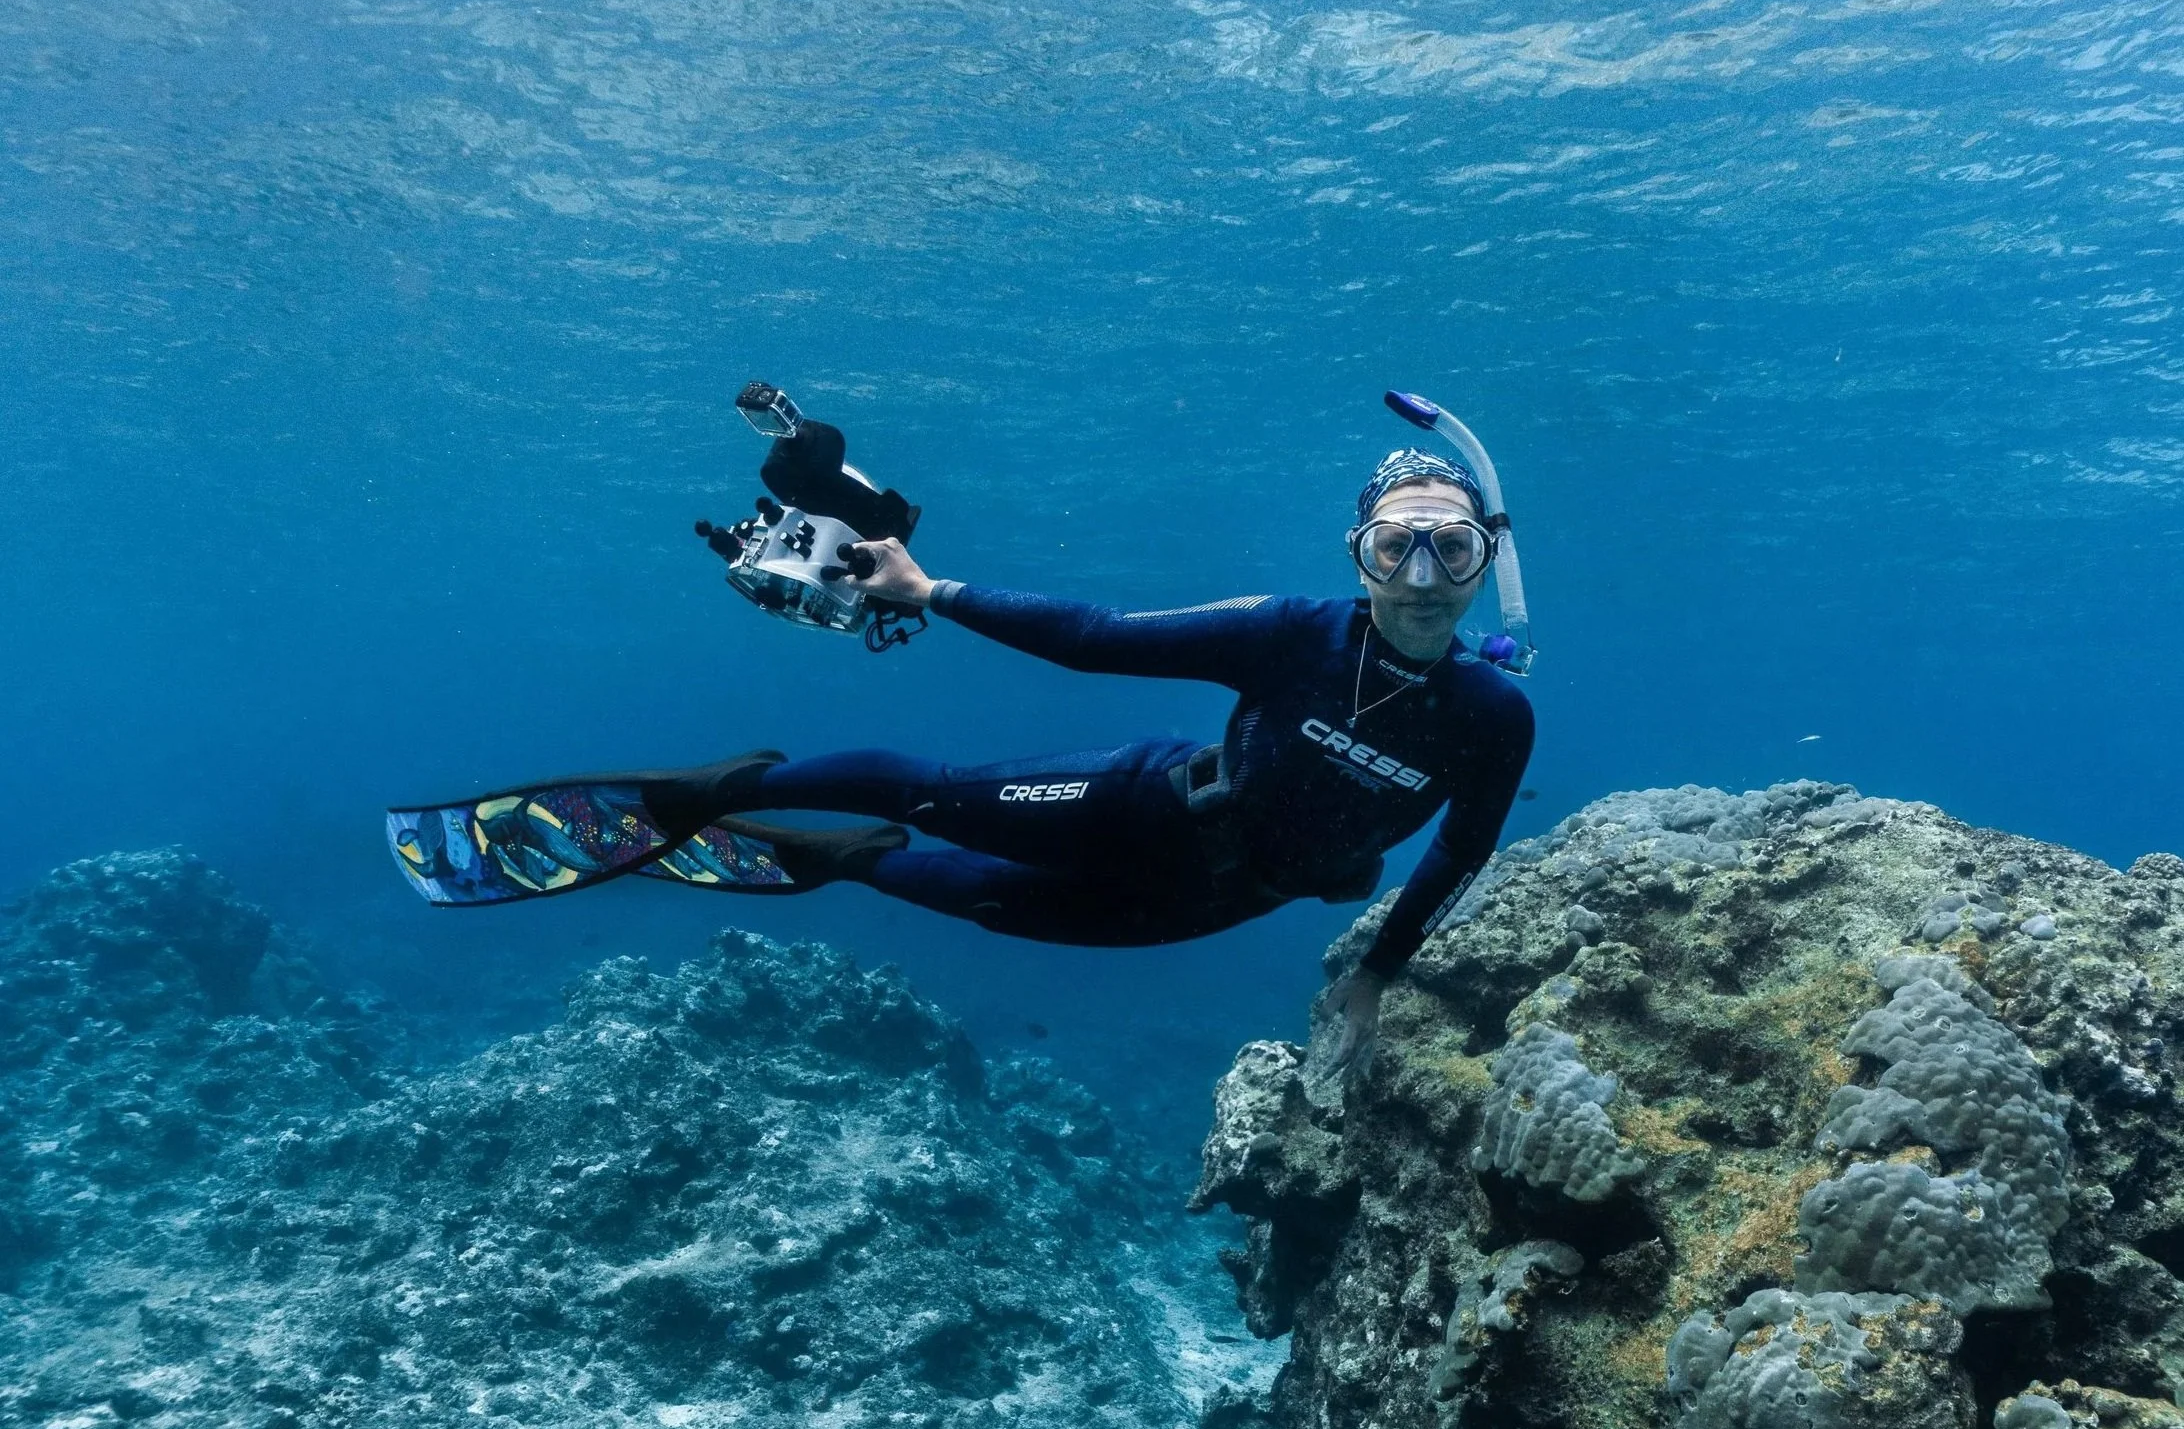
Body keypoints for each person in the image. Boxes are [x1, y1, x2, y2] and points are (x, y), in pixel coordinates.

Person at [389, 440, 1533, 1077]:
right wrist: (930, 590)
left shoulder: (1492, 715)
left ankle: (844, 860)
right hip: (1144, 805)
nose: (1422, 577)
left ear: (1484, 566)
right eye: (1397, 546)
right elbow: (1098, 639)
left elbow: (1459, 853)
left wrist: (1373, 977)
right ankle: (709, 791)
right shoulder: (1295, 632)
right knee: (933, 789)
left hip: (1219, 901)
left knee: (985, 904)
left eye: (1451, 548)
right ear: (1360, 556)